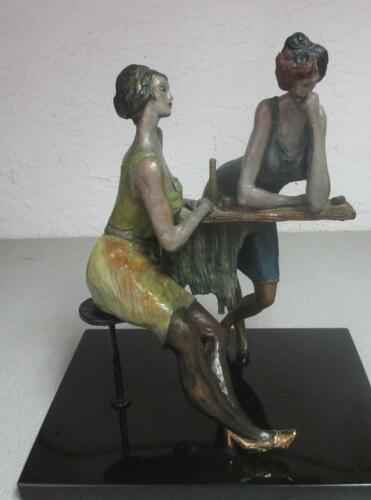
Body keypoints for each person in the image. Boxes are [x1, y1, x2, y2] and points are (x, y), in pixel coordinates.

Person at [86, 64, 296, 451]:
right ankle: (249, 433)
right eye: (163, 89)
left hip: (141, 259)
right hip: (116, 264)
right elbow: (169, 240)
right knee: (186, 339)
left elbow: (165, 203)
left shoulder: (156, 141)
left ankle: (236, 425)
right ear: (147, 98)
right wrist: (201, 211)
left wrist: (191, 205)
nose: (170, 96)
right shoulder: (146, 163)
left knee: (214, 332)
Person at [216, 32, 331, 331]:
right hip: (228, 190)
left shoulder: (317, 117)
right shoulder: (268, 110)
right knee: (224, 274)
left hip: (265, 203)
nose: (306, 91)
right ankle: (223, 334)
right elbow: (244, 192)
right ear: (287, 77)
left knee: (266, 296)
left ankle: (226, 325)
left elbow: (317, 202)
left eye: (312, 83)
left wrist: (315, 125)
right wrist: (294, 201)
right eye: (300, 82)